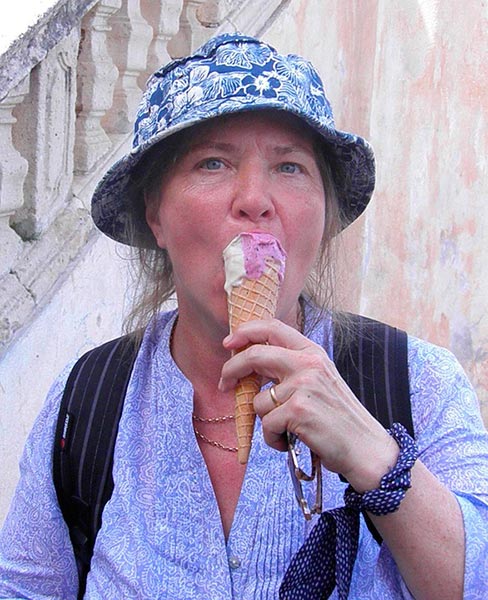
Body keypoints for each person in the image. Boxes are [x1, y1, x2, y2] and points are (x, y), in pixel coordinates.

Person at [0, 32, 487, 600]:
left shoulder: (417, 382)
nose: (254, 199)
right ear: (155, 214)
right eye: (213, 162)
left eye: (290, 167)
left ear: (325, 215)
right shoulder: (87, 401)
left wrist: (376, 459)